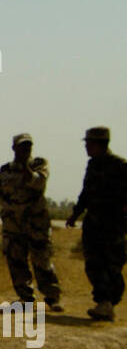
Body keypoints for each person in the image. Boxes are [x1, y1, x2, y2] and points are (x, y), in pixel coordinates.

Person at [65, 126, 127, 321]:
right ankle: (103, 302)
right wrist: (76, 214)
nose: (86, 147)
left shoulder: (120, 165)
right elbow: (86, 192)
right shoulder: (92, 165)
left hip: (113, 224)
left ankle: (109, 302)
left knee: (113, 264)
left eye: (89, 143)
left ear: (100, 144)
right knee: (93, 263)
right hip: (93, 223)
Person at [0, 133, 62, 308]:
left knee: (42, 260)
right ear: (14, 148)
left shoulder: (39, 164)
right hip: (13, 224)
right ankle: (25, 297)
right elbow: (0, 196)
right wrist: (12, 208)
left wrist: (26, 166)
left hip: (36, 223)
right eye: (21, 146)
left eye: (28, 146)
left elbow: (38, 182)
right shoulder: (6, 170)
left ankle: (52, 297)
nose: (25, 150)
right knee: (16, 261)